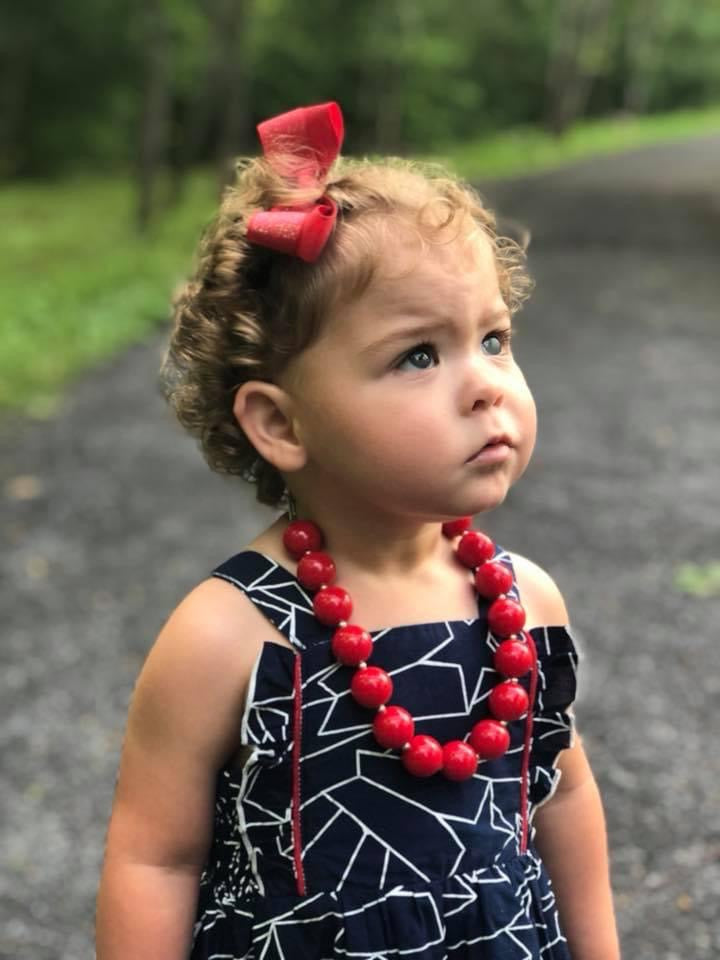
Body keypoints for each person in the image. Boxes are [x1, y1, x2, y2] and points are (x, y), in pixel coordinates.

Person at [96, 101, 620, 960]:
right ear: (282, 423)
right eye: (419, 355)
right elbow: (155, 857)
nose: (486, 384)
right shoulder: (228, 633)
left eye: (493, 339)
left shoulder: (525, 602)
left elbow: (557, 793)